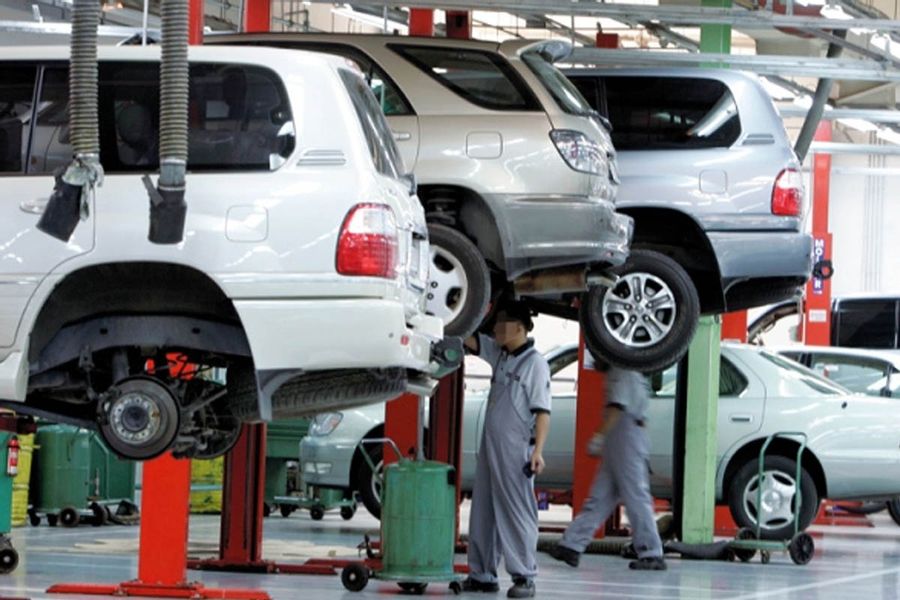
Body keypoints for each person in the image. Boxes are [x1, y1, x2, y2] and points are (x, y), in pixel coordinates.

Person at [461, 302, 551, 598]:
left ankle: (524, 576)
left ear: (520, 328)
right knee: (483, 511)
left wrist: (538, 451)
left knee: (516, 511)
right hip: (491, 448)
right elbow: (470, 339)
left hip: (516, 449)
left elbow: (542, 412)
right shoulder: (500, 354)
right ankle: (482, 574)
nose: (496, 329)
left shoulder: (534, 364)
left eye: (502, 323)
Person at [548, 357, 666, 571]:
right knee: (601, 497)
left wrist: (599, 436)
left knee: (635, 496)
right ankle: (571, 545)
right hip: (623, 436)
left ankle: (651, 552)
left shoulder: (622, 370)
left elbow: (616, 407)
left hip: (626, 435)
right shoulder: (620, 370)